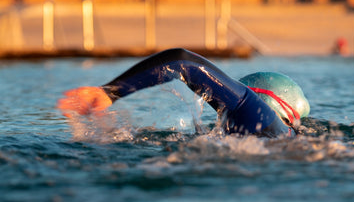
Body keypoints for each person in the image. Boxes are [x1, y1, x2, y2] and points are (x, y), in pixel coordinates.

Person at [57, 48, 310, 137]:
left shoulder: (258, 115)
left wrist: (110, 92)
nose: (220, 114)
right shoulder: (285, 138)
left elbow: (184, 62)